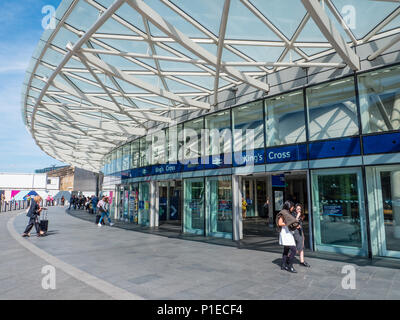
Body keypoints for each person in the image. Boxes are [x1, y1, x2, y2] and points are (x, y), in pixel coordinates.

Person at [276, 200, 299, 273]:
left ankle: (283, 265)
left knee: (286, 250)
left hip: (287, 232)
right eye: (292, 207)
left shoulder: (287, 213)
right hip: (285, 233)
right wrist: (288, 223)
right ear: (289, 206)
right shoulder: (283, 213)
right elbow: (280, 223)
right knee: (294, 250)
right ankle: (290, 266)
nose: (293, 208)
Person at [292, 203, 310, 268]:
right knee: (296, 248)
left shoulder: (300, 215)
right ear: (295, 209)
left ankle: (302, 261)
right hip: (295, 232)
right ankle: (288, 258)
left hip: (300, 232)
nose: (299, 210)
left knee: (301, 247)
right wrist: (297, 216)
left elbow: (300, 225)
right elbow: (293, 223)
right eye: (297, 209)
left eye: (300, 209)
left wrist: (302, 234)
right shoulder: (293, 215)